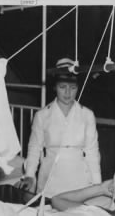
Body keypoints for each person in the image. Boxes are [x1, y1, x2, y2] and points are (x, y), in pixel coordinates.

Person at [19, 58, 102, 198]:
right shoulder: (42, 116)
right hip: (50, 179)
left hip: (79, 180)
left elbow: (92, 152)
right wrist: (29, 175)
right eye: (63, 87)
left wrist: (97, 185)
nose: (68, 93)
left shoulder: (87, 115)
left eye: (73, 88)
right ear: (55, 87)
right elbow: (34, 148)